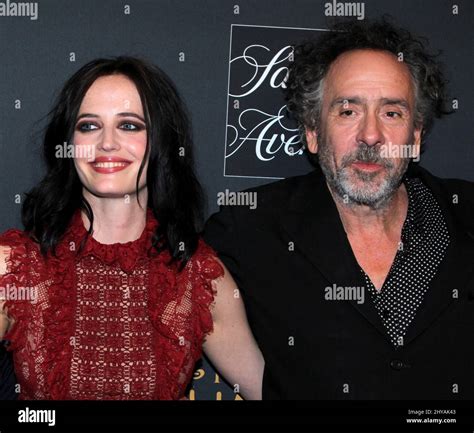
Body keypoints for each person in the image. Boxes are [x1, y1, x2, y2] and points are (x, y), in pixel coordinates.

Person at [204, 19, 474, 399]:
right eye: (348, 111)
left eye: (391, 113)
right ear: (313, 132)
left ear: (416, 136)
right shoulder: (247, 229)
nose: (370, 135)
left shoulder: (467, 215)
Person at [0, 57, 264, 400]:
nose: (107, 142)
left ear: (160, 142)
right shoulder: (15, 268)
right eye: (89, 126)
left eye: (129, 126)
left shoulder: (198, 277)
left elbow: (268, 389)